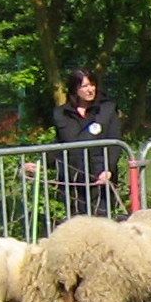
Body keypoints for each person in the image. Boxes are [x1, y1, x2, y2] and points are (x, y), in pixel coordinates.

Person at [52, 68, 122, 216]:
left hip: (101, 178)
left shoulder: (107, 109)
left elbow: (115, 143)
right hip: (73, 179)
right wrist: (39, 163)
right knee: (77, 222)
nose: (90, 90)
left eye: (92, 85)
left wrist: (108, 169)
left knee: (102, 221)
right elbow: (60, 145)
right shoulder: (61, 113)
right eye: (84, 86)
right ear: (74, 89)